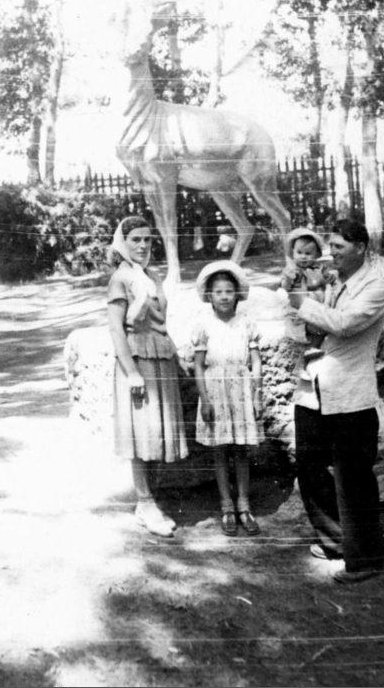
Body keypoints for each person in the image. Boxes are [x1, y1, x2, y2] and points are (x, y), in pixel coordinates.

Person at [283, 219, 384, 584]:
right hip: (313, 388)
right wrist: (304, 303)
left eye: (339, 247)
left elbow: (344, 324)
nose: (332, 254)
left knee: (353, 477)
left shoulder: (375, 287)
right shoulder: (333, 282)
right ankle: (336, 541)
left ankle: (366, 559)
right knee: (309, 466)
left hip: (350, 395)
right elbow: (312, 328)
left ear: (361, 247)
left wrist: (302, 303)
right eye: (331, 247)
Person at [107, 215, 188, 538]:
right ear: (123, 243)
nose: (142, 246)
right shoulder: (121, 278)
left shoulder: (152, 276)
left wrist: (176, 356)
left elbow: (160, 323)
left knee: (158, 431)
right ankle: (144, 502)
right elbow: (116, 329)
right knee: (141, 432)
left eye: (147, 240)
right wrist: (131, 373)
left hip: (161, 359)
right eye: (135, 240)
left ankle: (150, 500)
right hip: (137, 362)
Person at [191, 260, 264, 537]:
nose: (223, 297)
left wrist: (256, 395)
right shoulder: (203, 325)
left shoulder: (246, 323)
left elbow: (256, 362)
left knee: (241, 451)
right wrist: (205, 399)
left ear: (237, 294)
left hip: (241, 391)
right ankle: (227, 507)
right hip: (215, 392)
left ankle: (244, 506)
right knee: (220, 450)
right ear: (209, 296)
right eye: (218, 292)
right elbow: (199, 365)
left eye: (229, 291)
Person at [279, 228, 331, 376]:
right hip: (298, 312)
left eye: (308, 253)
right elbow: (284, 287)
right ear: (293, 253)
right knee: (313, 330)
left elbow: (328, 284)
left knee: (321, 331)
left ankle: (312, 355)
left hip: (318, 308)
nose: (303, 257)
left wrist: (327, 299)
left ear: (317, 254)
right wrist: (288, 279)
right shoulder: (292, 270)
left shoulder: (320, 269)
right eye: (299, 252)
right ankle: (301, 363)